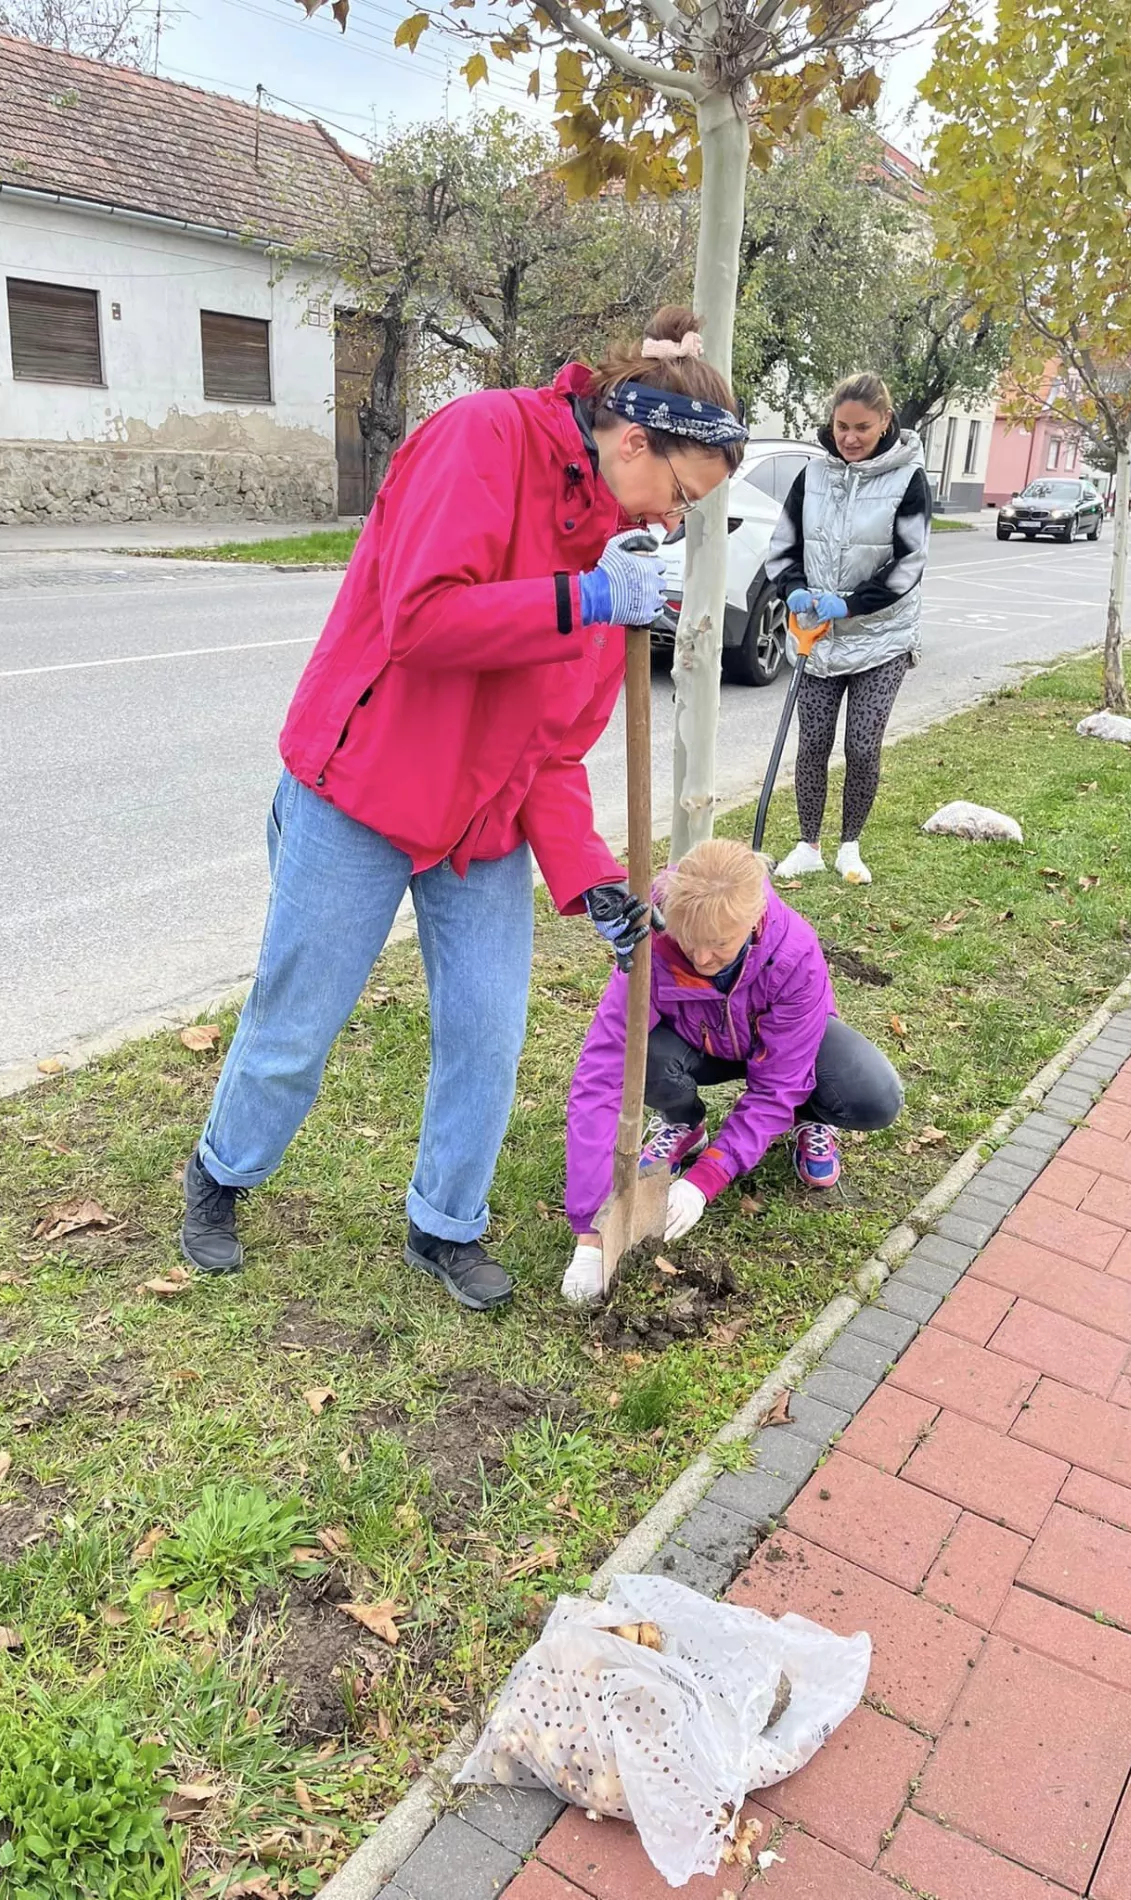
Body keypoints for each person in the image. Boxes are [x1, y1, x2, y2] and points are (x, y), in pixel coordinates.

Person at [178, 307, 748, 1312]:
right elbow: (424, 619)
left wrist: (595, 882)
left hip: (478, 821)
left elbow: (550, 749)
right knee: (298, 1018)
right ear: (631, 441)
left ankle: (444, 1224)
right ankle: (221, 1173)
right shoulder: (485, 438)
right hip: (363, 789)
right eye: (680, 496)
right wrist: (579, 600)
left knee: (487, 1029)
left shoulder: (613, 551)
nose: (672, 524)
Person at [561, 838, 903, 1305]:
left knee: (872, 1093)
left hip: (779, 1051)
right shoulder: (651, 939)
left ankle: (811, 1115)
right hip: (699, 1044)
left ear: (753, 918)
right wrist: (588, 1227)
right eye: (691, 943)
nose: (701, 959)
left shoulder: (793, 952)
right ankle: (684, 1123)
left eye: (719, 945)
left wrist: (704, 1183)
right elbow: (600, 1075)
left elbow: (774, 1087)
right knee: (642, 1056)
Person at [766, 372, 932, 887]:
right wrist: (793, 589)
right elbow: (783, 547)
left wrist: (852, 604)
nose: (851, 437)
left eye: (862, 426)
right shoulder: (812, 477)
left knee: (862, 745)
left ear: (884, 421)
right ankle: (808, 844)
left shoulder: (909, 480)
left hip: (882, 638)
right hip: (818, 637)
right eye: (842, 426)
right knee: (812, 743)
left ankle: (849, 847)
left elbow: (909, 565)